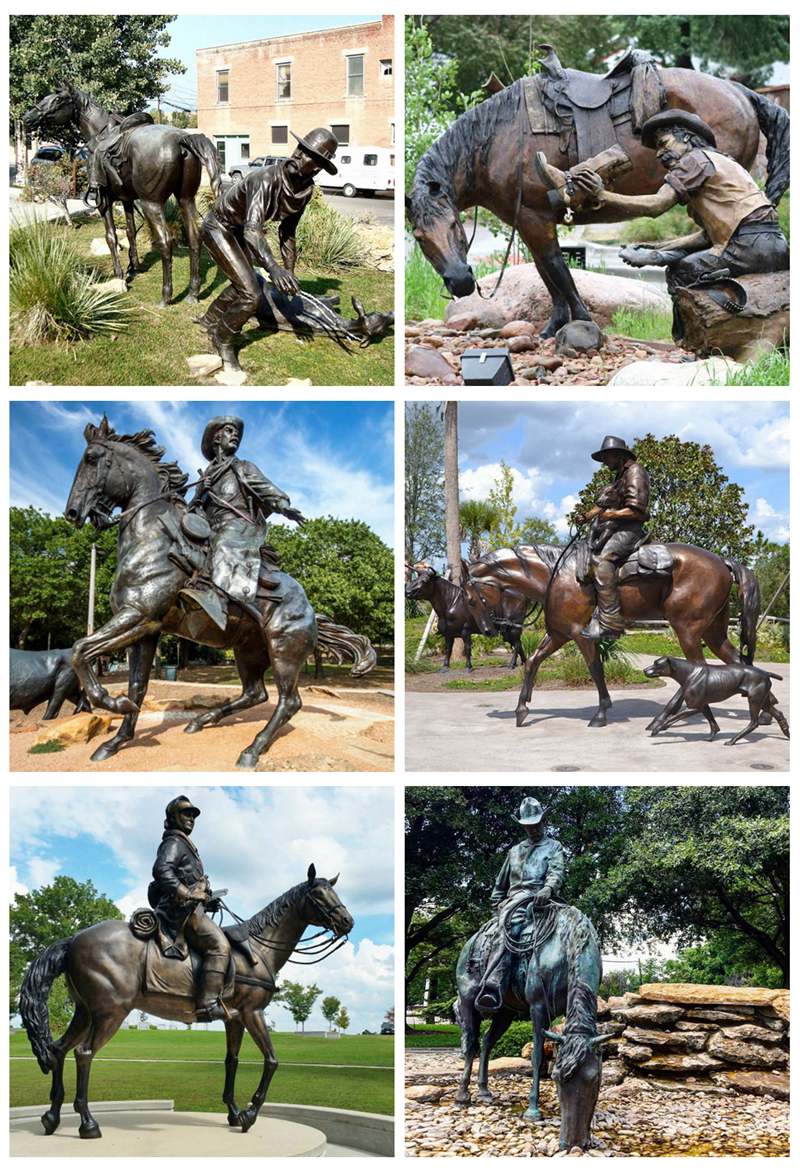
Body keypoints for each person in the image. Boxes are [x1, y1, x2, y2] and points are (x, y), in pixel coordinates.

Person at [569, 110, 790, 339]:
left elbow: (657, 204)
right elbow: (708, 237)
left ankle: (689, 342)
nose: (659, 154)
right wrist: (656, 250)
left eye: (664, 143)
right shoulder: (724, 163)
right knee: (685, 260)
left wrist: (602, 195)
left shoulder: (693, 159)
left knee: (681, 271)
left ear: (686, 137)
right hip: (773, 245)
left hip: (746, 246)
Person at [196, 128, 338, 372]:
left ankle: (210, 319)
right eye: (299, 149)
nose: (297, 155)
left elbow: (287, 232)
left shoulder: (304, 192)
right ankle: (222, 338)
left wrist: (289, 271)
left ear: (316, 167)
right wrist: (274, 269)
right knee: (252, 292)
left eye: (306, 155)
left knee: (245, 281)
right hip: (219, 227)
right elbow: (253, 230)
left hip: (238, 229)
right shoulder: (266, 179)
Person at [181, 415, 305, 630]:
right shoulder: (207, 475)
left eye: (235, 432)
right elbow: (194, 508)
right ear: (216, 439)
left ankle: (219, 600)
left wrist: (284, 507)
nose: (235, 434)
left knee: (223, 541)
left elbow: (266, 489)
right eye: (229, 430)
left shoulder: (244, 467)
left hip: (238, 525)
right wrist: (201, 493)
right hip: (210, 526)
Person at [147, 795, 234, 1022]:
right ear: (173, 817)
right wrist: (188, 894)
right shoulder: (174, 842)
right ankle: (208, 1005)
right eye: (186, 813)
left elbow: (187, 879)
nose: (191, 818)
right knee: (220, 945)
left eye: (193, 815)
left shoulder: (185, 844)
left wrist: (207, 899)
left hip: (192, 909)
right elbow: (162, 870)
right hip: (182, 913)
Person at [475, 797, 565, 1014]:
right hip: (516, 902)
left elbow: (557, 871)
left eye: (536, 824)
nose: (532, 829)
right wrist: (498, 906)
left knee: (572, 927)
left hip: (545, 899)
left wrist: (548, 888)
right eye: (528, 826)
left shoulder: (554, 847)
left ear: (544, 822)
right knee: (511, 926)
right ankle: (494, 982)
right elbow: (500, 885)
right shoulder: (514, 851)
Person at [576, 435, 650, 641]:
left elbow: (638, 509)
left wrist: (612, 515)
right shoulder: (619, 477)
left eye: (606, 458)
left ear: (618, 456)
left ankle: (611, 622)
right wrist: (586, 516)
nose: (604, 463)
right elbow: (602, 505)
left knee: (604, 561)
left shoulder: (635, 472)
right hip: (617, 527)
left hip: (630, 529)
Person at [85, 110, 154, 210]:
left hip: (121, 128)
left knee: (100, 149)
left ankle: (94, 182)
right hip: (132, 121)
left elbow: (110, 131)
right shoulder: (113, 119)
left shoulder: (110, 123)